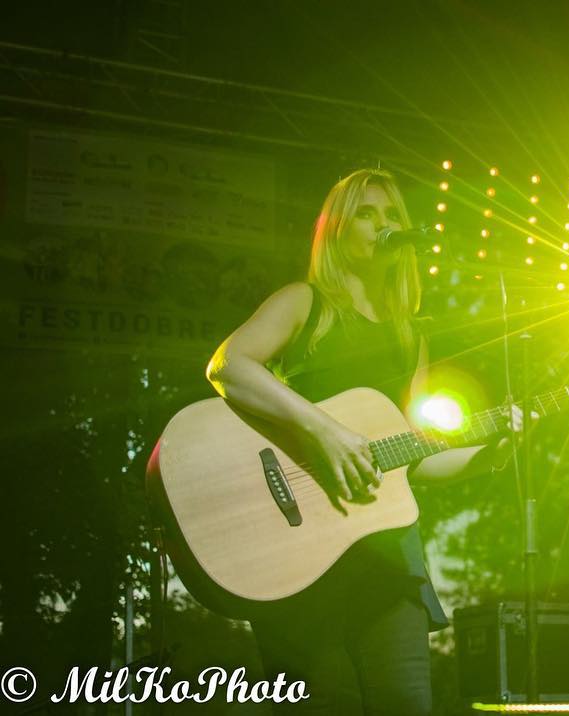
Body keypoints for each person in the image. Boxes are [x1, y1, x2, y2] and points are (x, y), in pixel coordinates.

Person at [206, 168, 511, 714]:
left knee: (405, 701)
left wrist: (494, 453)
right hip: (297, 550)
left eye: (393, 216)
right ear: (338, 229)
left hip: (386, 559)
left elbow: (412, 456)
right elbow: (228, 365)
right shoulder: (306, 303)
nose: (383, 225)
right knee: (324, 703)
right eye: (367, 214)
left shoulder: (408, 335)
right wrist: (325, 430)